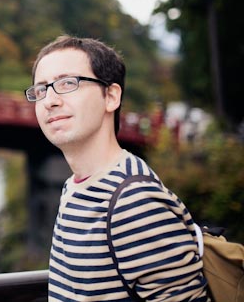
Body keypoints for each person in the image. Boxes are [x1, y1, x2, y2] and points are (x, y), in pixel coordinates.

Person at [26, 35, 207, 301]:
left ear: (111, 96)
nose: (50, 101)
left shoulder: (133, 200)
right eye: (41, 90)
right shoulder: (75, 186)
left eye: (67, 83)